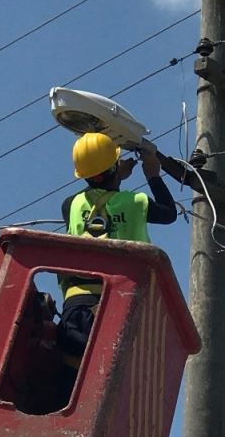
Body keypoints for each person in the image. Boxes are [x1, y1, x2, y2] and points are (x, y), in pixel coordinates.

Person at [55, 131, 177, 401]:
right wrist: (153, 174)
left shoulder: (69, 205)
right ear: (114, 167)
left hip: (76, 308)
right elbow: (169, 213)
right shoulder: (134, 203)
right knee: (110, 386)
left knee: (69, 385)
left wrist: (112, 177)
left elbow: (98, 204)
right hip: (115, 307)